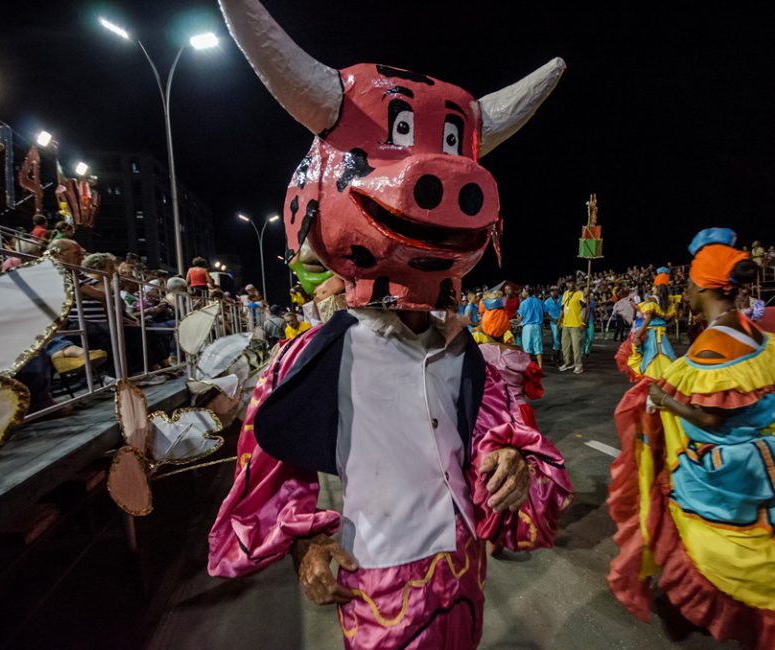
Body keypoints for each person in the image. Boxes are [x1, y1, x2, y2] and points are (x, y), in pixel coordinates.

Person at [207, 13, 571, 646]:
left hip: (464, 575)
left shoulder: (469, 354)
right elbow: (273, 467)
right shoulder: (313, 356)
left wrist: (510, 462)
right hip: (376, 583)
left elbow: (498, 440)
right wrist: (307, 548)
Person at [607, 228, 775, 648]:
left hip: (720, 472)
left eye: (688, 281)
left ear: (704, 287)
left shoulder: (714, 344)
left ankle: (705, 613)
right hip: (765, 463)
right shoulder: (753, 332)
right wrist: (755, 430)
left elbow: (709, 419)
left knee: (705, 542)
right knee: (759, 543)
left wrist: (664, 402)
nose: (684, 289)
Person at [477, 305, 544, 430]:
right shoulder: (519, 353)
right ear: (506, 327)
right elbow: (533, 391)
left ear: (484, 327)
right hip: (520, 412)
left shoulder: (477, 353)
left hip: (490, 414)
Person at [619, 280, 676, 382]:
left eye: (653, 286)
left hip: (652, 335)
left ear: (657, 288)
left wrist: (638, 335)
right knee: (666, 357)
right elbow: (671, 321)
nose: (652, 288)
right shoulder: (667, 302)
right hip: (662, 335)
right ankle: (665, 381)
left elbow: (647, 319)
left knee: (651, 359)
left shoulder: (650, 299)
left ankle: (654, 381)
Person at [559, 279, 586, 373]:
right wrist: (559, 322)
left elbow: (584, 309)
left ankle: (579, 365)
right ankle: (567, 363)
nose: (569, 284)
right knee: (565, 346)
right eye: (567, 282)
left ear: (574, 283)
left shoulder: (580, 294)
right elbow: (562, 309)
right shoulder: (565, 294)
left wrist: (583, 323)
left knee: (576, 347)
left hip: (576, 325)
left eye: (571, 282)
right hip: (566, 324)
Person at [517, 287, 545, 367]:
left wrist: (518, 317)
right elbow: (544, 313)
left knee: (527, 348)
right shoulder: (539, 302)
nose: (522, 293)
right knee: (538, 348)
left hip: (527, 328)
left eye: (523, 291)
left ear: (527, 292)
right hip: (537, 327)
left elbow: (520, 318)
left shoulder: (523, 303)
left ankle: (528, 367)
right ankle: (540, 367)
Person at [544, 286, 562, 359]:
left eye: (555, 290)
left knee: (563, 339)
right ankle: (556, 355)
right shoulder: (547, 302)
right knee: (556, 337)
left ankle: (561, 355)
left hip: (563, 321)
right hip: (554, 322)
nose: (554, 292)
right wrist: (553, 320)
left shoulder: (563, 298)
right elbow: (546, 313)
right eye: (552, 291)